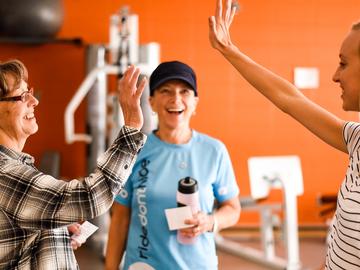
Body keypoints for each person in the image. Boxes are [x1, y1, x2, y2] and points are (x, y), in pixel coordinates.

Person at [209, 0, 360, 268]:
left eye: (343, 64)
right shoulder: (356, 139)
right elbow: (288, 98)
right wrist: (228, 49)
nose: (335, 76)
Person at [0, 59, 147, 269]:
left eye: (29, 91)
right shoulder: (6, 174)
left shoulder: (15, 167)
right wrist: (132, 126)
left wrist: (54, 231)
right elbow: (91, 196)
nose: (34, 101)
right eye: (22, 96)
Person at [105, 60, 241, 270]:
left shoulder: (214, 150)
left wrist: (210, 221)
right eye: (166, 91)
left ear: (195, 102)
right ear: (151, 102)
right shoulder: (135, 150)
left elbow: (232, 208)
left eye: (184, 91)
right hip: (143, 265)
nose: (175, 99)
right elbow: (120, 219)